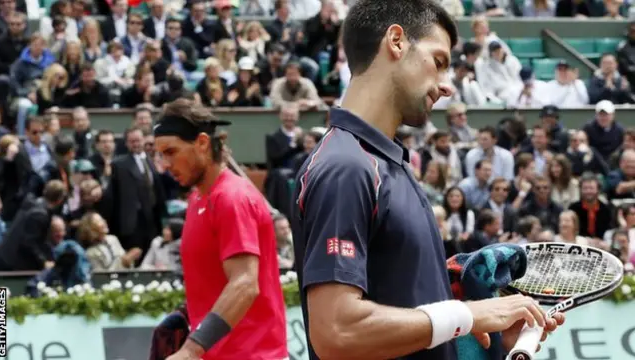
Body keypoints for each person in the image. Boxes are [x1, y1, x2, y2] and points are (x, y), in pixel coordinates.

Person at [290, 1, 565, 360]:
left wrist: (476, 333)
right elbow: (337, 332)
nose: (447, 86)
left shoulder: (386, 163)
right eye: (439, 62)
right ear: (396, 41)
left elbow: (413, 318)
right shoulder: (346, 167)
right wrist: (464, 315)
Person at [152, 98, 287, 360]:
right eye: (160, 154)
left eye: (171, 152)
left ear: (202, 143)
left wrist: (191, 349)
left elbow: (245, 283)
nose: (165, 164)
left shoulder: (232, 197)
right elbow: (214, 282)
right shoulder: (198, 198)